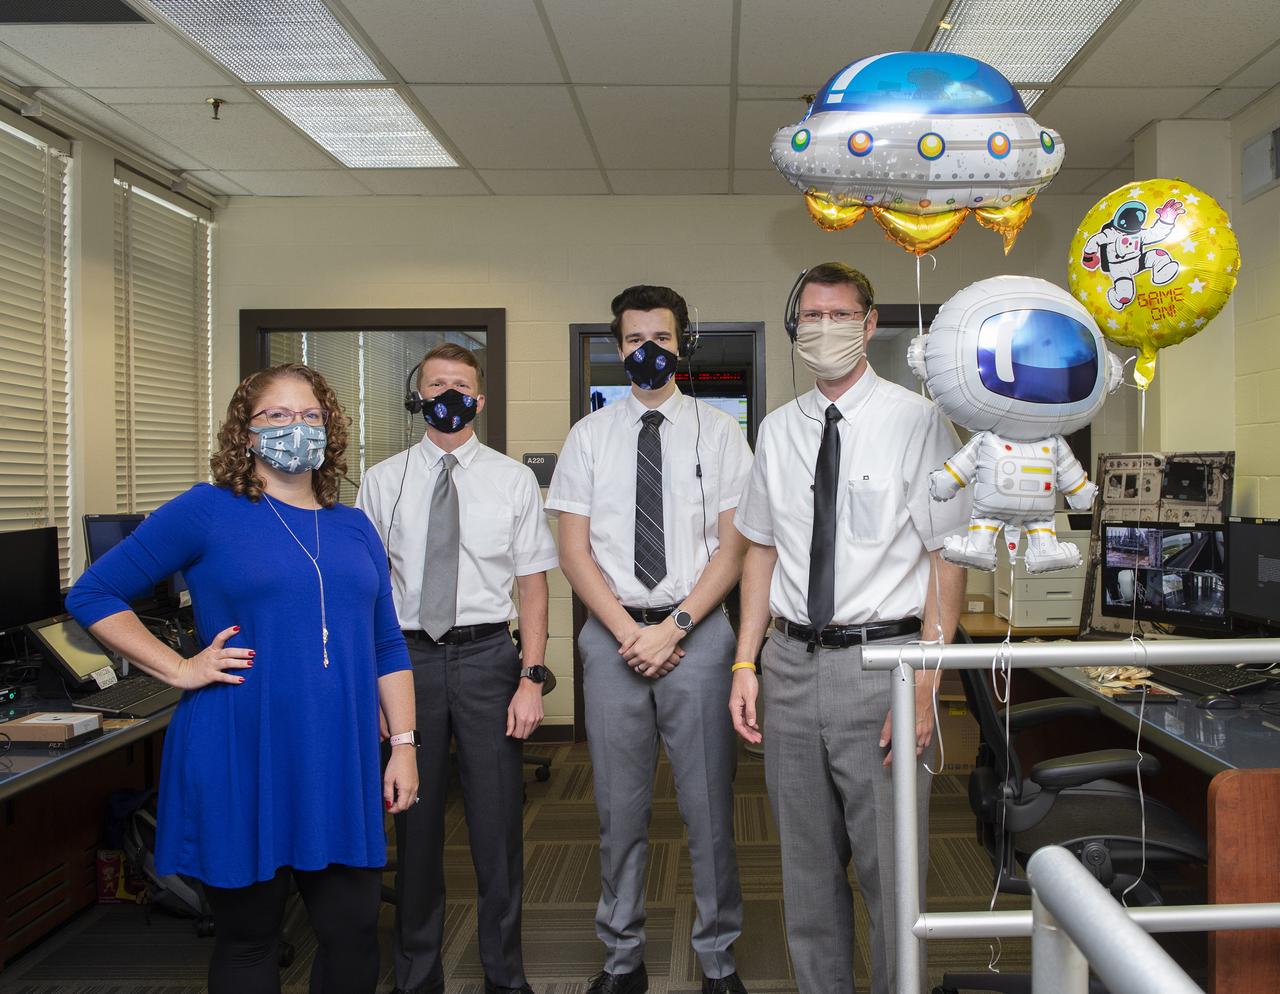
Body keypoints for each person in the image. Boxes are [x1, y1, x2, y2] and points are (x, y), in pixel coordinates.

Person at [66, 363, 418, 994]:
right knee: (251, 941)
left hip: (337, 757)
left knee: (353, 934)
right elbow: (94, 592)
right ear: (246, 433)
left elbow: (386, 643)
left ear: (329, 427)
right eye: (276, 416)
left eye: (309, 414)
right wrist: (179, 666)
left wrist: (406, 746)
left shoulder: (353, 525)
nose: (295, 427)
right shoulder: (208, 511)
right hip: (239, 748)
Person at [728, 263, 968, 994]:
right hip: (792, 663)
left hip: (884, 666)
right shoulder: (776, 430)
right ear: (794, 327)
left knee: (890, 871)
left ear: (868, 325)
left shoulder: (918, 420)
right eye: (811, 316)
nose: (823, 329)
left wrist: (928, 679)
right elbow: (761, 550)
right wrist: (746, 664)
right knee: (804, 872)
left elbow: (946, 556)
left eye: (840, 315)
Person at [547, 285, 753, 994]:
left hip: (696, 632)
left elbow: (734, 549)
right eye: (634, 340)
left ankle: (718, 959)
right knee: (618, 812)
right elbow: (574, 552)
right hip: (613, 637)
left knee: (709, 813)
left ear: (682, 343)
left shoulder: (721, 433)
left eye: (660, 338)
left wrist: (674, 627)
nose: (647, 351)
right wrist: (630, 631)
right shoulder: (588, 436)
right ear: (617, 346)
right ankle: (621, 957)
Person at [356, 342, 558, 994]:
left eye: (459, 384)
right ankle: (418, 976)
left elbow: (532, 588)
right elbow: (371, 591)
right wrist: (374, 693)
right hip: (406, 659)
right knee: (414, 827)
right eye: (434, 383)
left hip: (485, 657)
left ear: (479, 398)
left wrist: (531, 676)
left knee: (497, 827)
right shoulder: (383, 481)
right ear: (418, 395)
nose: (447, 393)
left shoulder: (511, 480)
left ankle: (506, 974)